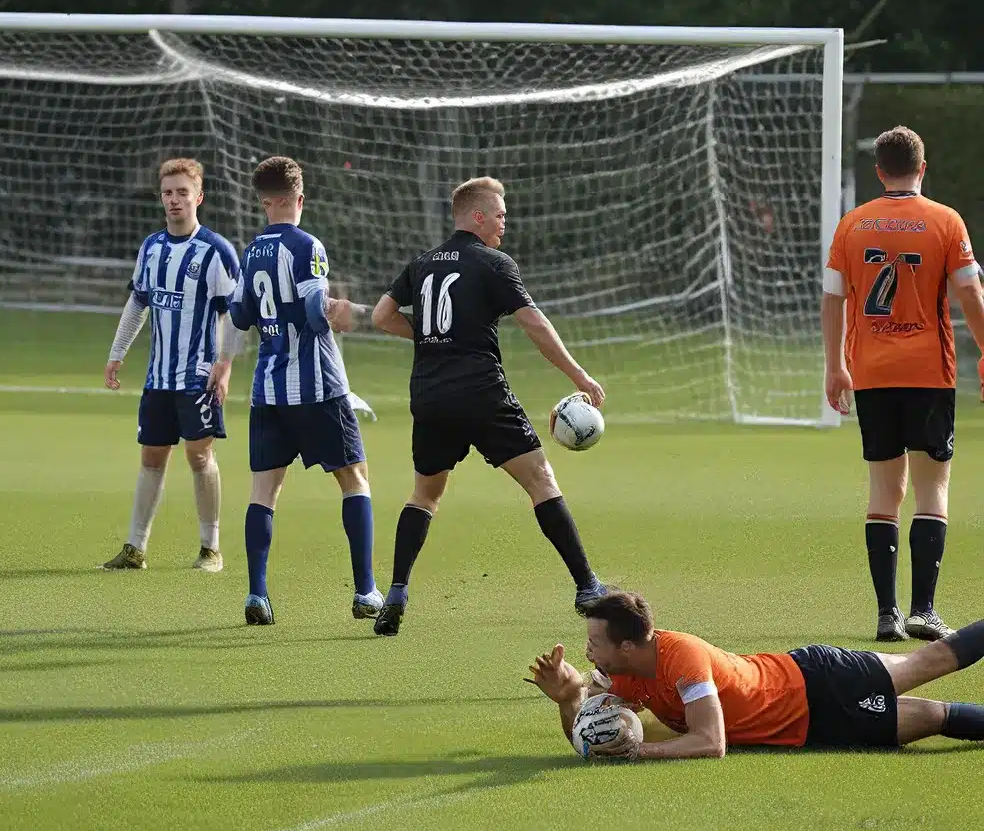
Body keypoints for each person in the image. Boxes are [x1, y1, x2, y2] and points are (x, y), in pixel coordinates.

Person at [369, 176, 608, 636]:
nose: (504, 223)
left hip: (430, 395)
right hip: (480, 391)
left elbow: (382, 316)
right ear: (476, 216)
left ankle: (396, 591)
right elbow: (534, 325)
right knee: (540, 480)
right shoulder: (494, 263)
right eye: (499, 215)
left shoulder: (421, 264)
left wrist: (430, 336)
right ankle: (587, 587)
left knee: (424, 495)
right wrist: (579, 376)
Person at [822, 126, 984, 643]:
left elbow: (832, 299)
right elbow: (969, 294)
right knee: (932, 487)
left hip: (870, 372)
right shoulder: (945, 221)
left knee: (883, 490)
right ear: (923, 166)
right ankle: (924, 610)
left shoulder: (852, 224)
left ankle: (886, 614)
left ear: (878, 171)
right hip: (927, 372)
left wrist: (834, 366)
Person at [215, 156, 380, 626]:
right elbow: (312, 312)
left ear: (264, 202)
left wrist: (227, 358)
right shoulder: (307, 246)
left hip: (268, 392)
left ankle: (257, 594)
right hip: (319, 387)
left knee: (263, 491)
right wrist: (336, 310)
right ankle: (367, 591)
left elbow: (241, 316)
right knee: (354, 479)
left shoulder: (251, 252)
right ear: (299, 199)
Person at [528, 589, 984, 760]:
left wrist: (639, 751)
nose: (588, 651)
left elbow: (712, 743)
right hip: (813, 729)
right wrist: (568, 698)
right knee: (934, 718)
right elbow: (587, 737)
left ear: (628, 645)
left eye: (595, 643)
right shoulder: (621, 672)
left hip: (816, 679)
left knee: (932, 660)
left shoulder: (681, 657)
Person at [100, 158, 239, 573]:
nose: (174, 199)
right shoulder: (152, 247)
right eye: (167, 192)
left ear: (199, 197)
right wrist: (116, 351)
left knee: (199, 457)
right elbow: (137, 303)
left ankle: (210, 548)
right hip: (158, 378)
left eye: (182, 192)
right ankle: (135, 548)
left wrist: (225, 365)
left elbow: (235, 314)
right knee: (151, 458)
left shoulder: (216, 251)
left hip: (197, 375)